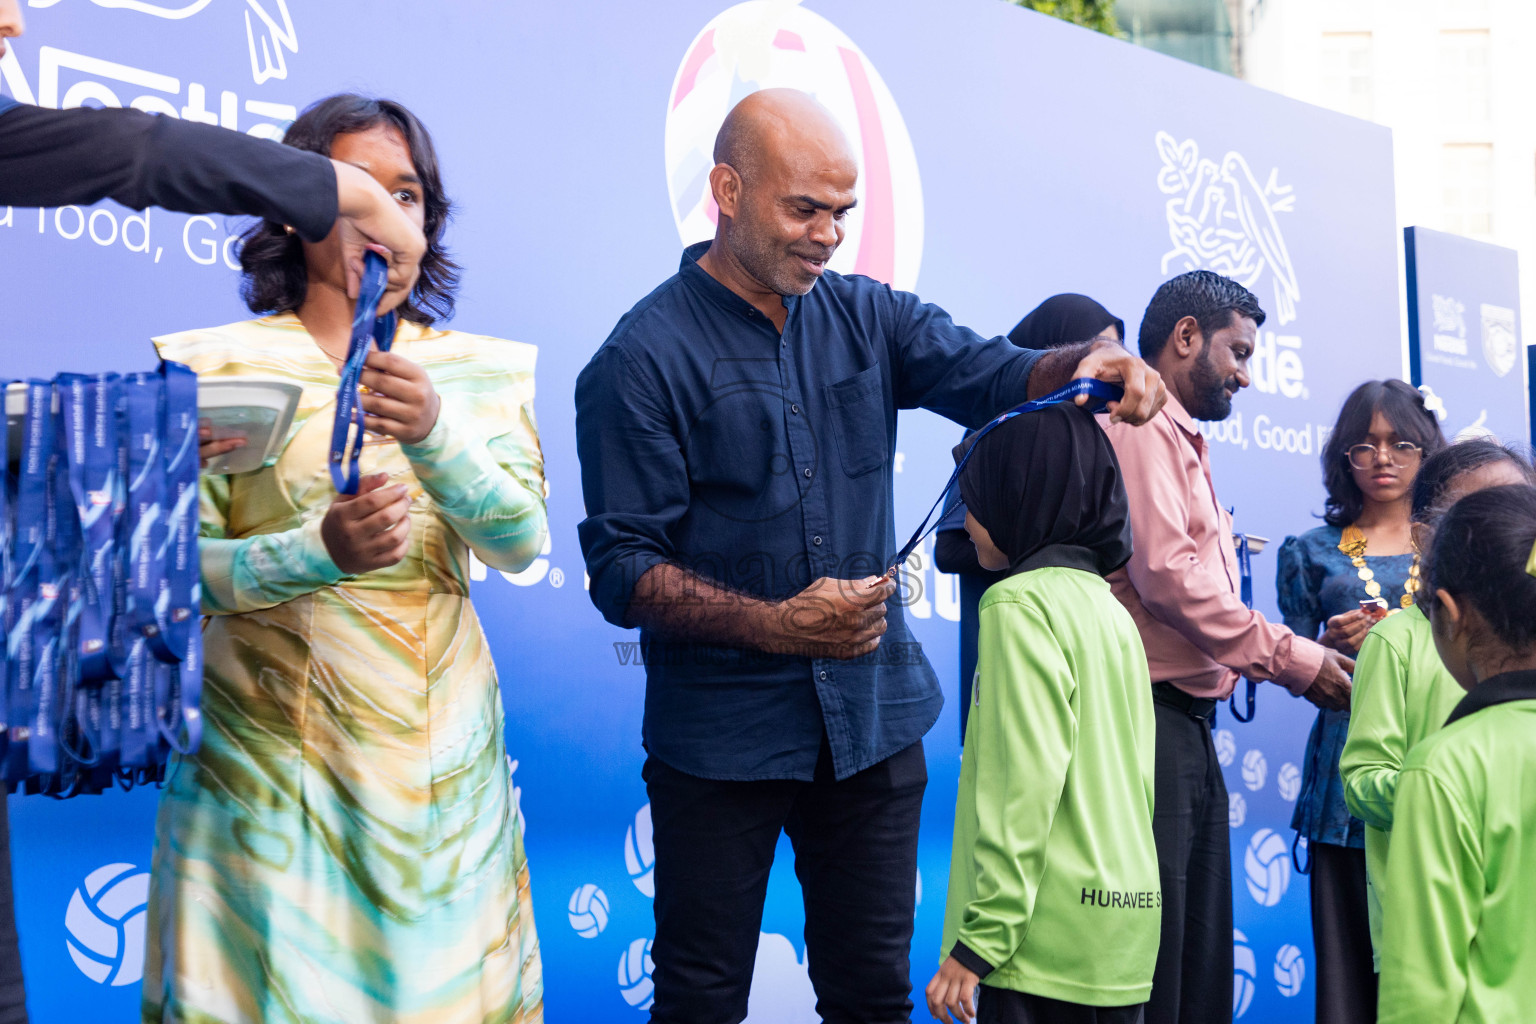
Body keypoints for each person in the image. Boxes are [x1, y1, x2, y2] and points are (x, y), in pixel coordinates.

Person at [575, 87, 1164, 1024]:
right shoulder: (639, 359)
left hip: (874, 726)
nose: (827, 235)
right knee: (700, 995)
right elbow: (624, 570)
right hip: (718, 741)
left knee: (872, 1000)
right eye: (803, 208)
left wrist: (1083, 362)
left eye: (842, 213)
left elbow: (997, 371)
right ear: (726, 188)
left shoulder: (871, 318)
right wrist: (777, 625)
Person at [0, 6, 425, 1021]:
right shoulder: (221, 354)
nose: (13, 17)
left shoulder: (464, 375)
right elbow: (133, 152)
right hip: (247, 793)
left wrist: (117, 442)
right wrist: (338, 188)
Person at [141, 95, 547, 1024]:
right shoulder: (207, 366)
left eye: (408, 195)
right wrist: (314, 552)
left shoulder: (484, 372)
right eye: (361, 191)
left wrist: (439, 433)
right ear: (292, 207)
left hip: (438, 787)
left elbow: (522, 543)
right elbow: (165, 572)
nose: (389, 219)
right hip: (262, 786)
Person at [1100, 270, 1354, 1024]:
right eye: (1238, 352)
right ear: (1185, 337)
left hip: (1186, 724)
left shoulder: (1181, 435)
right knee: (1163, 960)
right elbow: (1169, 578)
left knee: (1197, 959)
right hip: (1149, 721)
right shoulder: (1142, 423)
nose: (1246, 374)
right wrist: (1293, 659)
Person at [926, 405, 1157, 1024]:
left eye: (975, 499)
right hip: (1123, 943)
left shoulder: (1017, 606)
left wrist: (980, 943)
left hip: (1038, 950)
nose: (968, 523)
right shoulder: (1112, 612)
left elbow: (1021, 786)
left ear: (1018, 497)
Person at [1276, 380, 1445, 1023]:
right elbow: (1300, 667)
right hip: (1342, 787)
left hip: (1437, 766)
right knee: (1347, 979)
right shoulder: (1308, 552)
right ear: (1341, 458)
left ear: (1427, 452)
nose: (1383, 457)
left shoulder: (1456, 545)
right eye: (1364, 445)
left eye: (1401, 442)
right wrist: (1322, 647)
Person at [1341, 440, 1536, 978]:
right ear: (1428, 540)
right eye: (1475, 519)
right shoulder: (1397, 642)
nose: (1505, 528)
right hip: (1434, 932)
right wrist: (1441, 790)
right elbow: (1362, 779)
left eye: (1518, 507)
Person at [933, 294, 1125, 740]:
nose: (1106, 364)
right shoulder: (998, 429)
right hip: (1011, 643)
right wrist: (1041, 543)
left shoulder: (1087, 439)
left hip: (1072, 644)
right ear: (1056, 350)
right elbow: (948, 548)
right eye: (1095, 349)